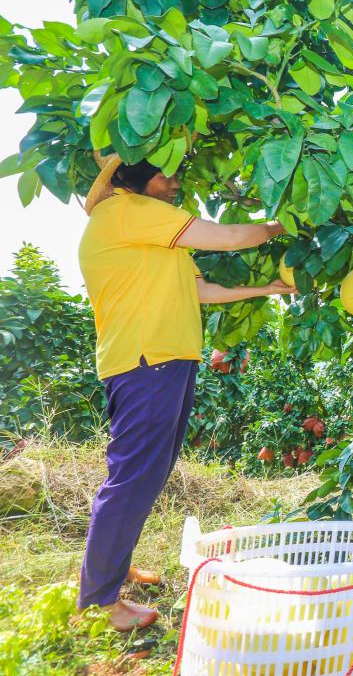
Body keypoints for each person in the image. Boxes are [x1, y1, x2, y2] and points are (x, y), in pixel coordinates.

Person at [77, 155, 294, 630]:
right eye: (164, 173)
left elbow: (202, 290)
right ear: (132, 179)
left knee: (147, 473)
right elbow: (233, 237)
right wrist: (285, 224)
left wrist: (266, 289)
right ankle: (99, 601)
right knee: (133, 477)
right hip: (145, 359)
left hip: (165, 358)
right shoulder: (124, 211)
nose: (175, 183)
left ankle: (113, 568)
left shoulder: (153, 230)